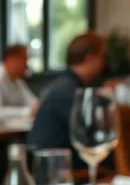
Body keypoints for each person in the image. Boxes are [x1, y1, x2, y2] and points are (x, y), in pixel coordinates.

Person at [27, 32, 107, 169]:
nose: (104, 63)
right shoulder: (69, 90)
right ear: (90, 59)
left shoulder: (67, 84)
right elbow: (88, 134)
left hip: (61, 163)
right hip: (54, 171)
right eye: (102, 57)